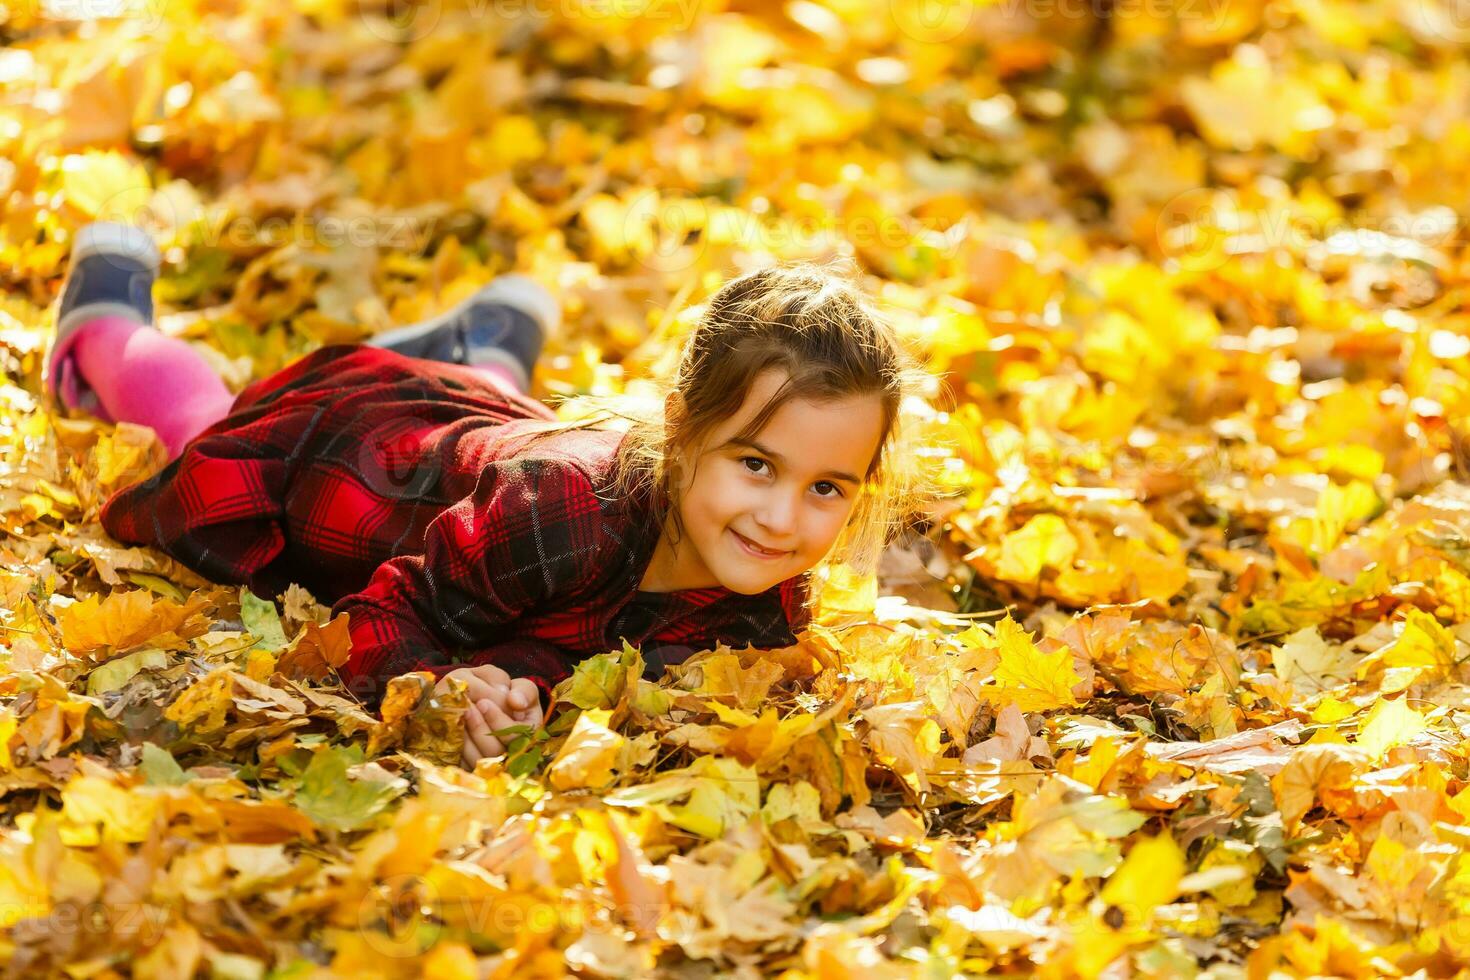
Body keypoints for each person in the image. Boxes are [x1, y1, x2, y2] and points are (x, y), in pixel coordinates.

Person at [48, 222, 929, 767]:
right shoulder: (562, 512)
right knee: (205, 420)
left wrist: (513, 689)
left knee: (495, 432)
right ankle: (107, 315)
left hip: (474, 440)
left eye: (826, 488)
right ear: (681, 427)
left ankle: (481, 343)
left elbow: (590, 643)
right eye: (757, 465)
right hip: (343, 457)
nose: (782, 519)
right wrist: (437, 691)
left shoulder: (763, 594)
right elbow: (384, 619)